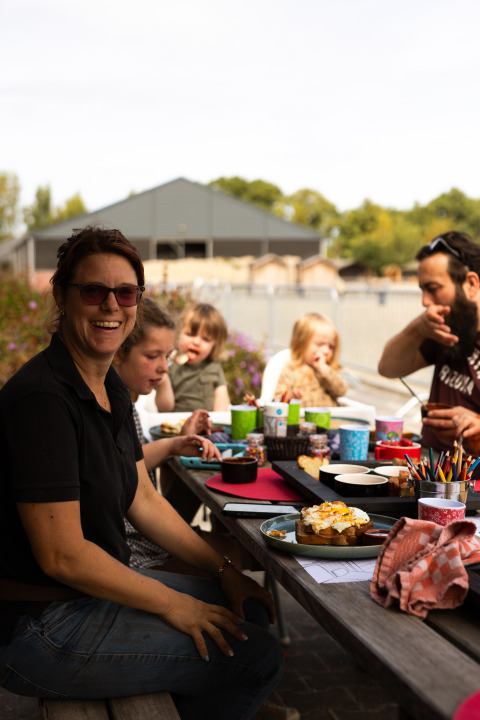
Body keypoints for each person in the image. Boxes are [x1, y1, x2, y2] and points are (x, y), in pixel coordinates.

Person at [0, 226, 286, 720]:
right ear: (63, 297)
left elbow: (144, 498)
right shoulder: (43, 400)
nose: (111, 305)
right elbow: (62, 556)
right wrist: (173, 603)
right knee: (257, 656)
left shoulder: (106, 381)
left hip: (91, 595)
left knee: (248, 605)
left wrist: (225, 571)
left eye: (126, 292)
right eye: (94, 291)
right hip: (39, 625)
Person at [112, 296, 242, 572]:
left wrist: (173, 445)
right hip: (131, 544)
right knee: (243, 554)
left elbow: (128, 462)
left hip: (141, 531)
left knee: (243, 550)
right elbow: (126, 478)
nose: (164, 367)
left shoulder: (124, 399)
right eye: (152, 356)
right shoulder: (110, 404)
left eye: (167, 357)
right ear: (119, 352)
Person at [378, 230, 480, 453]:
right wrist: (417, 328)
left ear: (471, 284)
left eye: (433, 289)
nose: (425, 302)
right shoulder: (449, 327)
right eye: (422, 290)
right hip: (430, 472)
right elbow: (388, 368)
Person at [156, 302, 231, 413]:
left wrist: (218, 421)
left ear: (214, 345)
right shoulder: (170, 365)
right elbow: (164, 409)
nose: (196, 342)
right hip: (178, 424)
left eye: (205, 339)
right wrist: (163, 382)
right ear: (178, 334)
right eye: (190, 334)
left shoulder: (213, 366)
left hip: (207, 424)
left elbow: (222, 401)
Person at [273, 312, 348, 407]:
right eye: (320, 344)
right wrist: (290, 396)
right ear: (300, 344)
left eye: (331, 346)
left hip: (329, 419)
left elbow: (341, 391)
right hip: (301, 419)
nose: (326, 351)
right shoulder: (290, 372)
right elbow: (277, 401)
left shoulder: (329, 371)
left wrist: (325, 371)